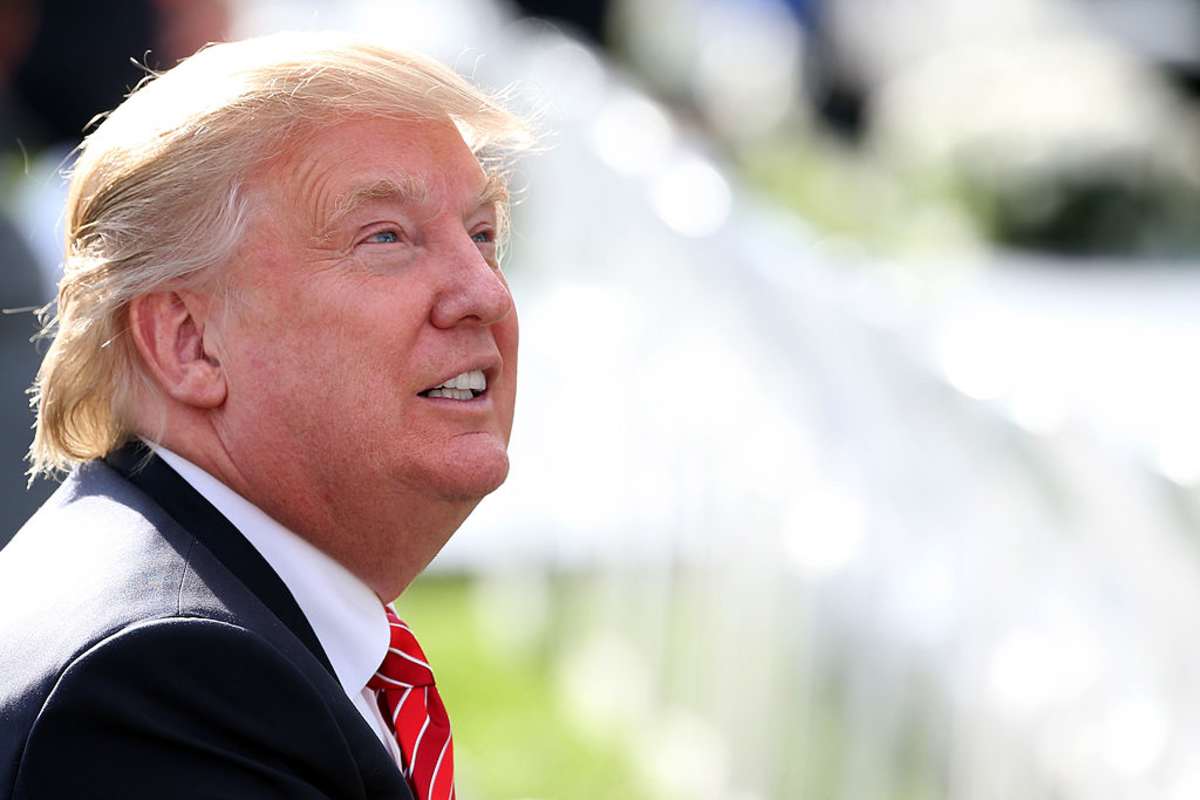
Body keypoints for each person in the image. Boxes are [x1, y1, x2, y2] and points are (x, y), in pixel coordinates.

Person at [0, 31, 532, 800]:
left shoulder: (188, 613)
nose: (485, 292)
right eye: (385, 237)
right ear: (189, 343)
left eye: (483, 236)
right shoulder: (161, 680)